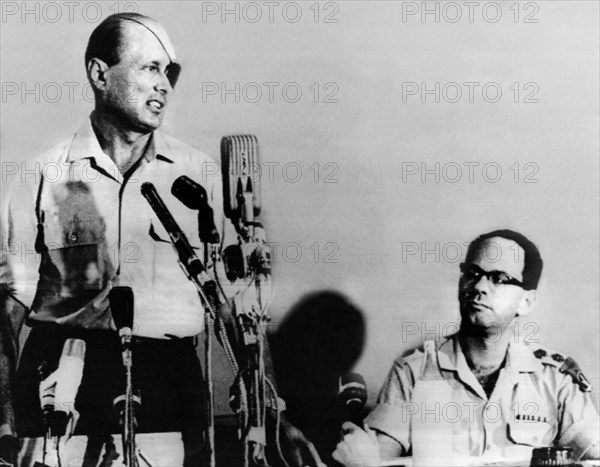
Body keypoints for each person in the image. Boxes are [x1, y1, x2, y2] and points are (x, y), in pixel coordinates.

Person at [0, 12, 321, 467]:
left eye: (170, 73)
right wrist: (4, 418)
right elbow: (7, 313)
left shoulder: (198, 174)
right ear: (99, 74)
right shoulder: (41, 177)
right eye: (150, 68)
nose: (165, 86)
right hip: (64, 376)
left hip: (169, 380)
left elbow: (238, 305)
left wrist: (272, 413)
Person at [333, 229, 600, 466]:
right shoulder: (414, 371)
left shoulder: (556, 380)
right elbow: (377, 459)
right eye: (473, 274)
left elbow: (594, 455)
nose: (480, 286)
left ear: (527, 301)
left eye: (499, 278)